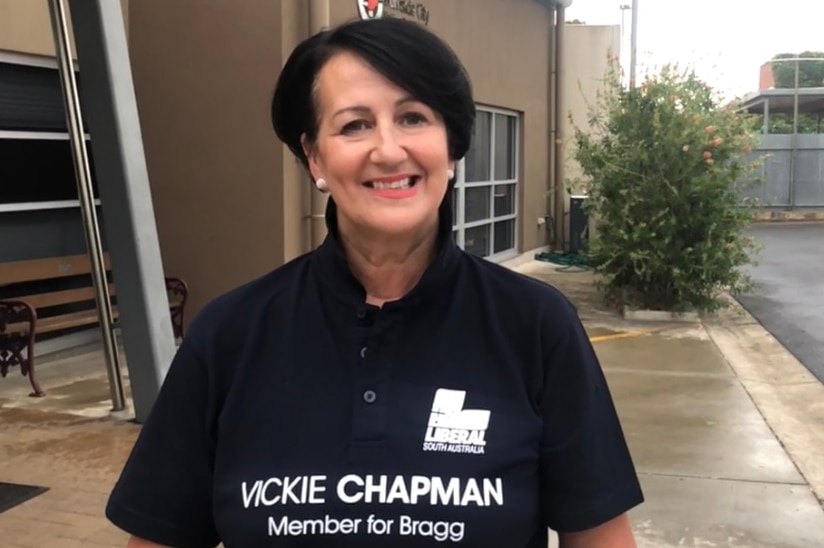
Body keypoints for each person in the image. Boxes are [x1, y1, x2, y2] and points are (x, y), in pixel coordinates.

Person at [106, 16, 644, 548]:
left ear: (452, 149)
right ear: (314, 156)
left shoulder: (535, 326)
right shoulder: (230, 334)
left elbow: (600, 538)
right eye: (354, 125)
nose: (388, 150)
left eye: (412, 118)